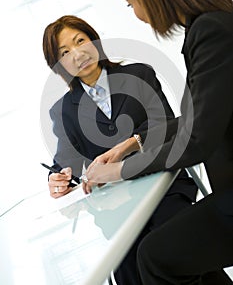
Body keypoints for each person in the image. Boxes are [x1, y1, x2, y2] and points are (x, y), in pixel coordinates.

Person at [83, 0, 233, 284]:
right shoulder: (211, 26)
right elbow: (203, 117)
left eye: (131, 0)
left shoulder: (211, 31)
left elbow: (197, 138)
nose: (135, 12)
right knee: (164, 254)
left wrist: (119, 171)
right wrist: (133, 143)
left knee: (154, 256)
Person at [42, 15, 198, 284]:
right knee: (127, 271)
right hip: (118, 208)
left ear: (95, 41)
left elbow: (167, 126)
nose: (78, 54)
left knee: (174, 251)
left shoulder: (140, 74)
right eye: (65, 53)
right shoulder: (64, 111)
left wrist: (131, 144)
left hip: (165, 187)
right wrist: (57, 179)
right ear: (59, 66)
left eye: (80, 41)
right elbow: (64, 162)